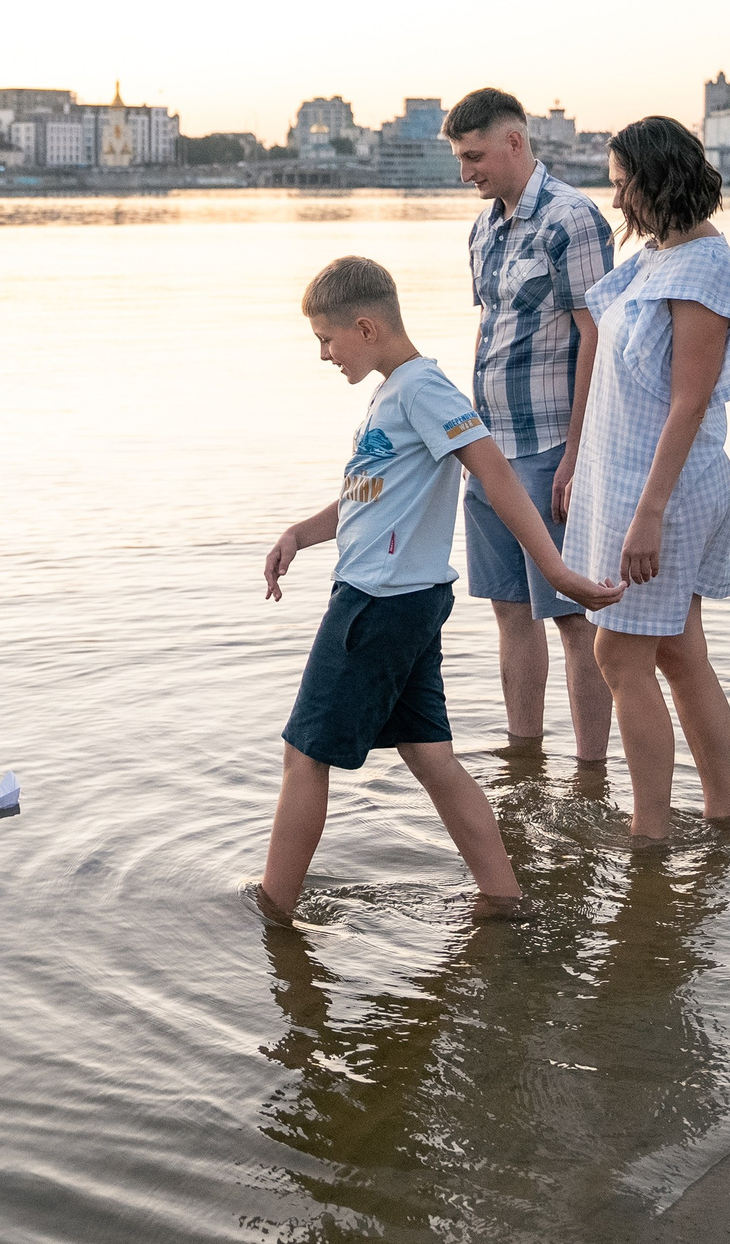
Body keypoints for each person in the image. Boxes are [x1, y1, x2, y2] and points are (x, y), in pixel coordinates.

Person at [258, 256, 621, 922]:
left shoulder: (422, 388)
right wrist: (300, 534)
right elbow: (366, 496)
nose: (322, 354)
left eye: (327, 339)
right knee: (430, 757)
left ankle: (271, 911)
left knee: (304, 754)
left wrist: (557, 571)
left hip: (378, 602)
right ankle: (504, 899)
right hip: (408, 598)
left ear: (365, 326)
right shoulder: (393, 390)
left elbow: (496, 474)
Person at [564, 117, 730, 843]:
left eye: (624, 183)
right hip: (637, 481)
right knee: (680, 653)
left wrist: (647, 513)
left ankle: (648, 833)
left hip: (665, 491)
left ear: (658, 178)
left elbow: (689, 399)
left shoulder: (705, 270)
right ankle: (722, 816)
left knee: (618, 654)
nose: (617, 199)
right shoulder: (664, 254)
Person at [446, 87, 619, 766]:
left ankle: (591, 772)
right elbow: (490, 333)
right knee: (508, 609)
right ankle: (524, 762)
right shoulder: (483, 228)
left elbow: (595, 340)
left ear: (513, 141)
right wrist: (464, 440)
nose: (467, 173)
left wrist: (577, 456)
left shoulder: (573, 219)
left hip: (550, 448)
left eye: (474, 156)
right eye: (461, 160)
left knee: (574, 618)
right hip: (489, 450)